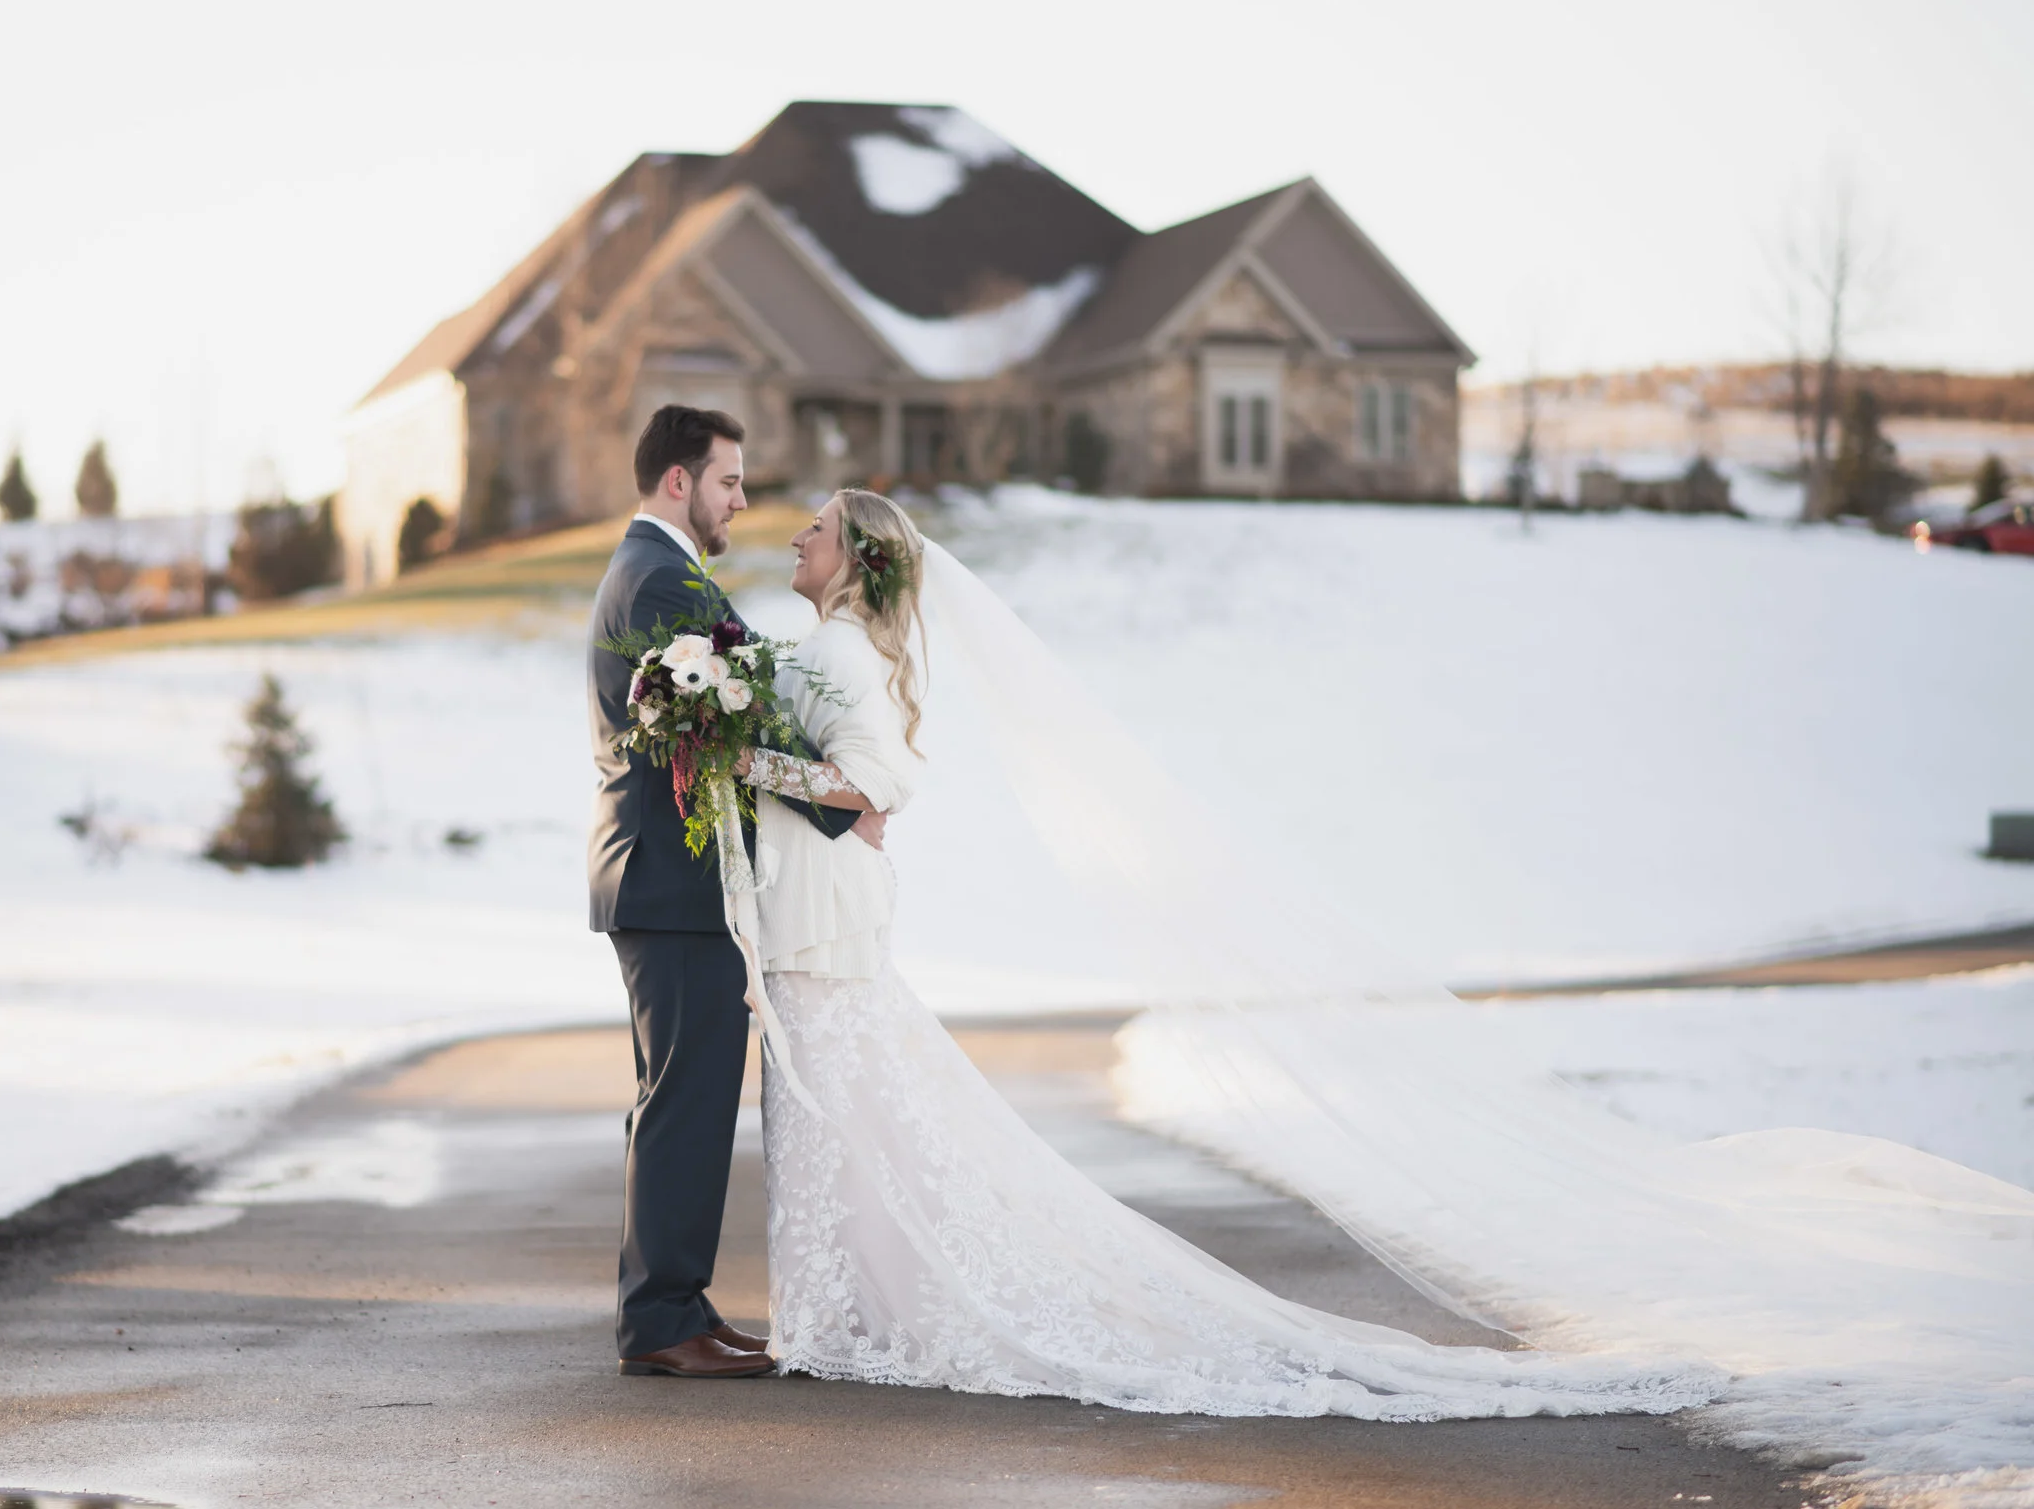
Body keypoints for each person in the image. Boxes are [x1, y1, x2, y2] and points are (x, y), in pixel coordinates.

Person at [730, 487, 1719, 1418]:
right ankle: (843, 1311)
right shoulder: (843, 648)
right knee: (849, 1121)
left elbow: (872, 786)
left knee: (835, 1117)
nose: (794, 539)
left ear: (855, 559)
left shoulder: (834, 654)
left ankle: (838, 1316)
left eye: (814, 529)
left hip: (824, 918)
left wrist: (735, 755)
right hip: (831, 911)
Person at [584, 405, 874, 1379]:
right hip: (670, 881)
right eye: (729, 481)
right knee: (687, 1102)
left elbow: (723, 711)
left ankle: (672, 1305)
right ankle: (664, 1321)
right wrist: (845, 801)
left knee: (675, 1098)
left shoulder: (659, 572)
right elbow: (728, 717)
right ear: (679, 481)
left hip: (663, 880)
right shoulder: (661, 578)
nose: (742, 501)